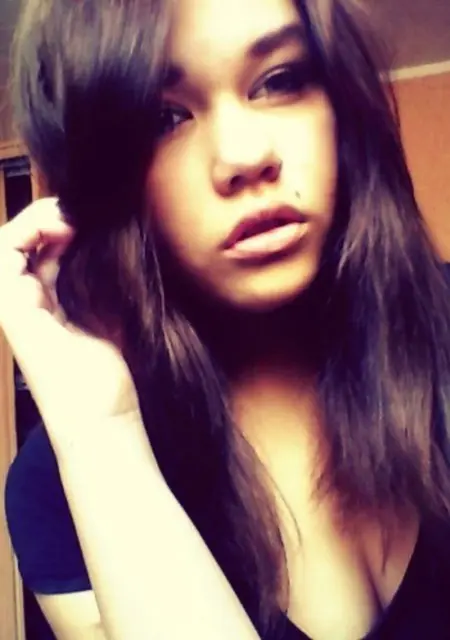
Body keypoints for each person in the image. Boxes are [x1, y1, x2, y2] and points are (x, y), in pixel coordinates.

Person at [2, 0, 450, 638]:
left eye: (280, 79)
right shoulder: (57, 486)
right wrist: (101, 432)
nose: (244, 156)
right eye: (163, 118)